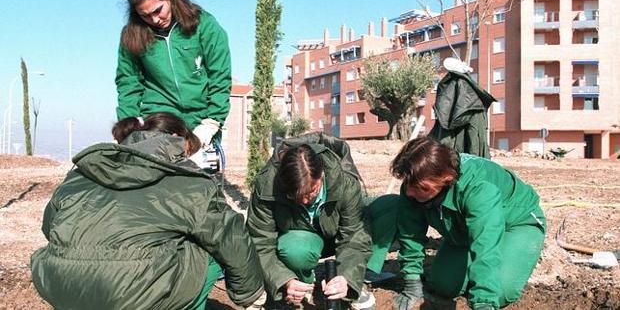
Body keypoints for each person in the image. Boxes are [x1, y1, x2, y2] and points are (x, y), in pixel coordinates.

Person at [30, 112, 265, 310]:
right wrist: (250, 293)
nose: (187, 159)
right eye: (187, 151)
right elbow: (231, 237)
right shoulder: (188, 181)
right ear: (175, 138)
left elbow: (49, 227)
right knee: (208, 247)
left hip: (61, 285)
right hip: (132, 296)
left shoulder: (82, 172)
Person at [390, 136, 546, 310]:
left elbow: (486, 244)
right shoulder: (414, 185)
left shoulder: (478, 188)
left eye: (419, 186)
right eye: (407, 184)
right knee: (443, 285)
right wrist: (412, 280)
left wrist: (484, 302)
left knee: (500, 291)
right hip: (463, 230)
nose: (410, 192)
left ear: (444, 179)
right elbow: (410, 233)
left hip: (516, 223)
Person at [246, 132, 396, 310]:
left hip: (336, 235)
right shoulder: (267, 185)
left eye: (311, 192)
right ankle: (302, 283)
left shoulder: (344, 181)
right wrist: (283, 279)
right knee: (295, 249)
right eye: (295, 196)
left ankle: (357, 281)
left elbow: (354, 235)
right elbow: (260, 242)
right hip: (302, 240)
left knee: (387, 209)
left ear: (322, 174)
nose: (304, 201)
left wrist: (347, 277)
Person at [115, 0, 232, 148]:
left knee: (201, 172)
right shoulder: (131, 36)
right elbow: (128, 82)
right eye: (145, 15)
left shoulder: (205, 26)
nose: (154, 19)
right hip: (158, 121)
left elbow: (220, 76)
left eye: (158, 10)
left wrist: (212, 121)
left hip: (201, 120)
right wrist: (127, 124)